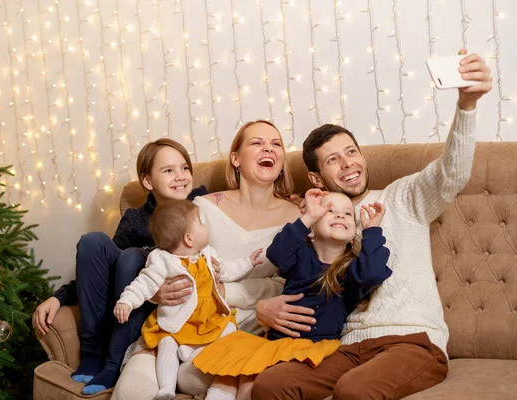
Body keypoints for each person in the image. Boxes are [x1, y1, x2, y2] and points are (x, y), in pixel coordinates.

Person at [253, 50, 492, 400]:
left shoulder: (402, 196)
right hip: (346, 347)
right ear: (316, 178)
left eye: (351, 152)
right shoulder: (320, 221)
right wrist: (263, 307)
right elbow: (293, 273)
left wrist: (467, 106)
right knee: (271, 384)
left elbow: (451, 173)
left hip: (411, 340)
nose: (348, 163)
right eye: (333, 159)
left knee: (354, 391)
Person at [112, 120, 300, 400]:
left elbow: (289, 285)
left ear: (283, 161)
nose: (268, 149)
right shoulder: (202, 206)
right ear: (235, 158)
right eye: (257, 142)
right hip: (178, 324)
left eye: (276, 144)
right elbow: (168, 262)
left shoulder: (299, 216)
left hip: (240, 329)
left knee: (205, 378)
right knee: (131, 392)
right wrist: (158, 292)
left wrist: (224, 291)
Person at [32, 139, 209, 394]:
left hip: (158, 308)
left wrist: (284, 193)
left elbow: (238, 202)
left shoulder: (202, 205)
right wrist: (57, 298)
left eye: (184, 168)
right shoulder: (136, 220)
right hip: (124, 298)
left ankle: (114, 363)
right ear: (147, 181)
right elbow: (101, 271)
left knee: (133, 257)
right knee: (93, 241)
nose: (180, 176)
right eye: (168, 170)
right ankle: (92, 354)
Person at [192, 189, 391, 399]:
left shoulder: (351, 269)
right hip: (274, 342)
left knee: (253, 383)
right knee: (232, 371)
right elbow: (277, 252)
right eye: (329, 211)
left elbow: (373, 273)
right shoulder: (300, 256)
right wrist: (307, 218)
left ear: (353, 234)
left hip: (312, 347)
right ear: (311, 231)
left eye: (348, 213)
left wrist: (372, 231)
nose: (340, 215)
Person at [113, 200, 263, 400]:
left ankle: (191, 351)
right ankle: (166, 386)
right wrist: (127, 301)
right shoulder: (163, 260)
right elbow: (144, 283)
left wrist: (248, 263)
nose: (206, 226)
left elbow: (227, 270)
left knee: (228, 329)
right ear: (189, 239)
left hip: (207, 320)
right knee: (167, 342)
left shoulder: (207, 254)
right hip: (178, 323)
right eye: (201, 223)